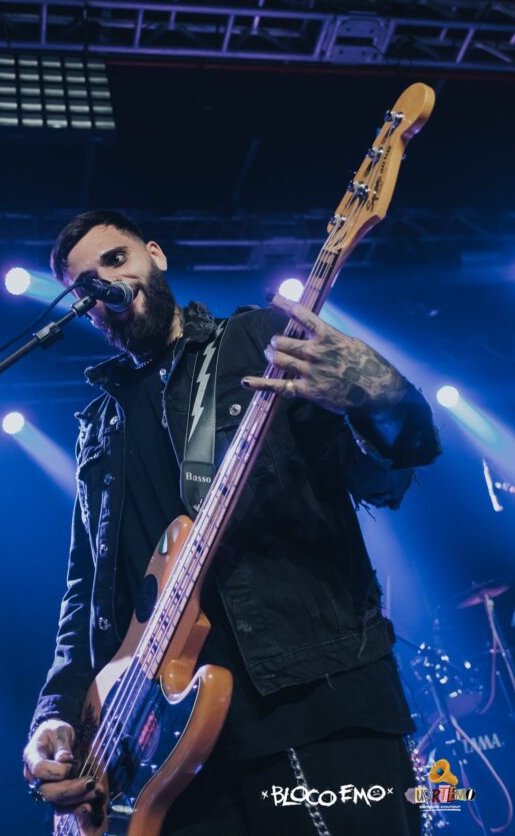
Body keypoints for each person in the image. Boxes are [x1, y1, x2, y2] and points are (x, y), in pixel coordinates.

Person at [22, 209, 440, 835]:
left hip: (309, 705)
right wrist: (55, 714)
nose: (106, 284)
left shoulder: (258, 341)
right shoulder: (99, 427)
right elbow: (85, 597)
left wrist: (378, 395)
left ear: (155, 255)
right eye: (86, 285)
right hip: (163, 755)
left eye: (116, 259)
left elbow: (383, 481)